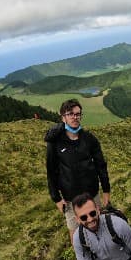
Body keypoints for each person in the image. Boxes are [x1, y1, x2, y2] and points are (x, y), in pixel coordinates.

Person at [45, 98, 111, 243]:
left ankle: (102, 252)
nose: (75, 117)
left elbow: (101, 165)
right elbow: (51, 171)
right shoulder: (55, 142)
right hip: (70, 198)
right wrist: (56, 198)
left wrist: (106, 190)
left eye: (78, 114)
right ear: (63, 117)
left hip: (92, 194)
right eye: (70, 114)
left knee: (97, 225)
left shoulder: (89, 139)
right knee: (75, 232)